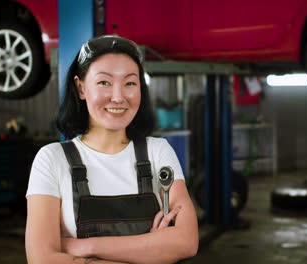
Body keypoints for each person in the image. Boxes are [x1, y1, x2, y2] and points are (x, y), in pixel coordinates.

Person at [25, 35, 198, 264]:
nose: (118, 97)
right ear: (81, 88)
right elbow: (42, 259)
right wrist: (151, 249)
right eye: (104, 82)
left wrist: (84, 247)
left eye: (130, 83)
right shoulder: (52, 160)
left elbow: (186, 242)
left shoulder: (158, 152)